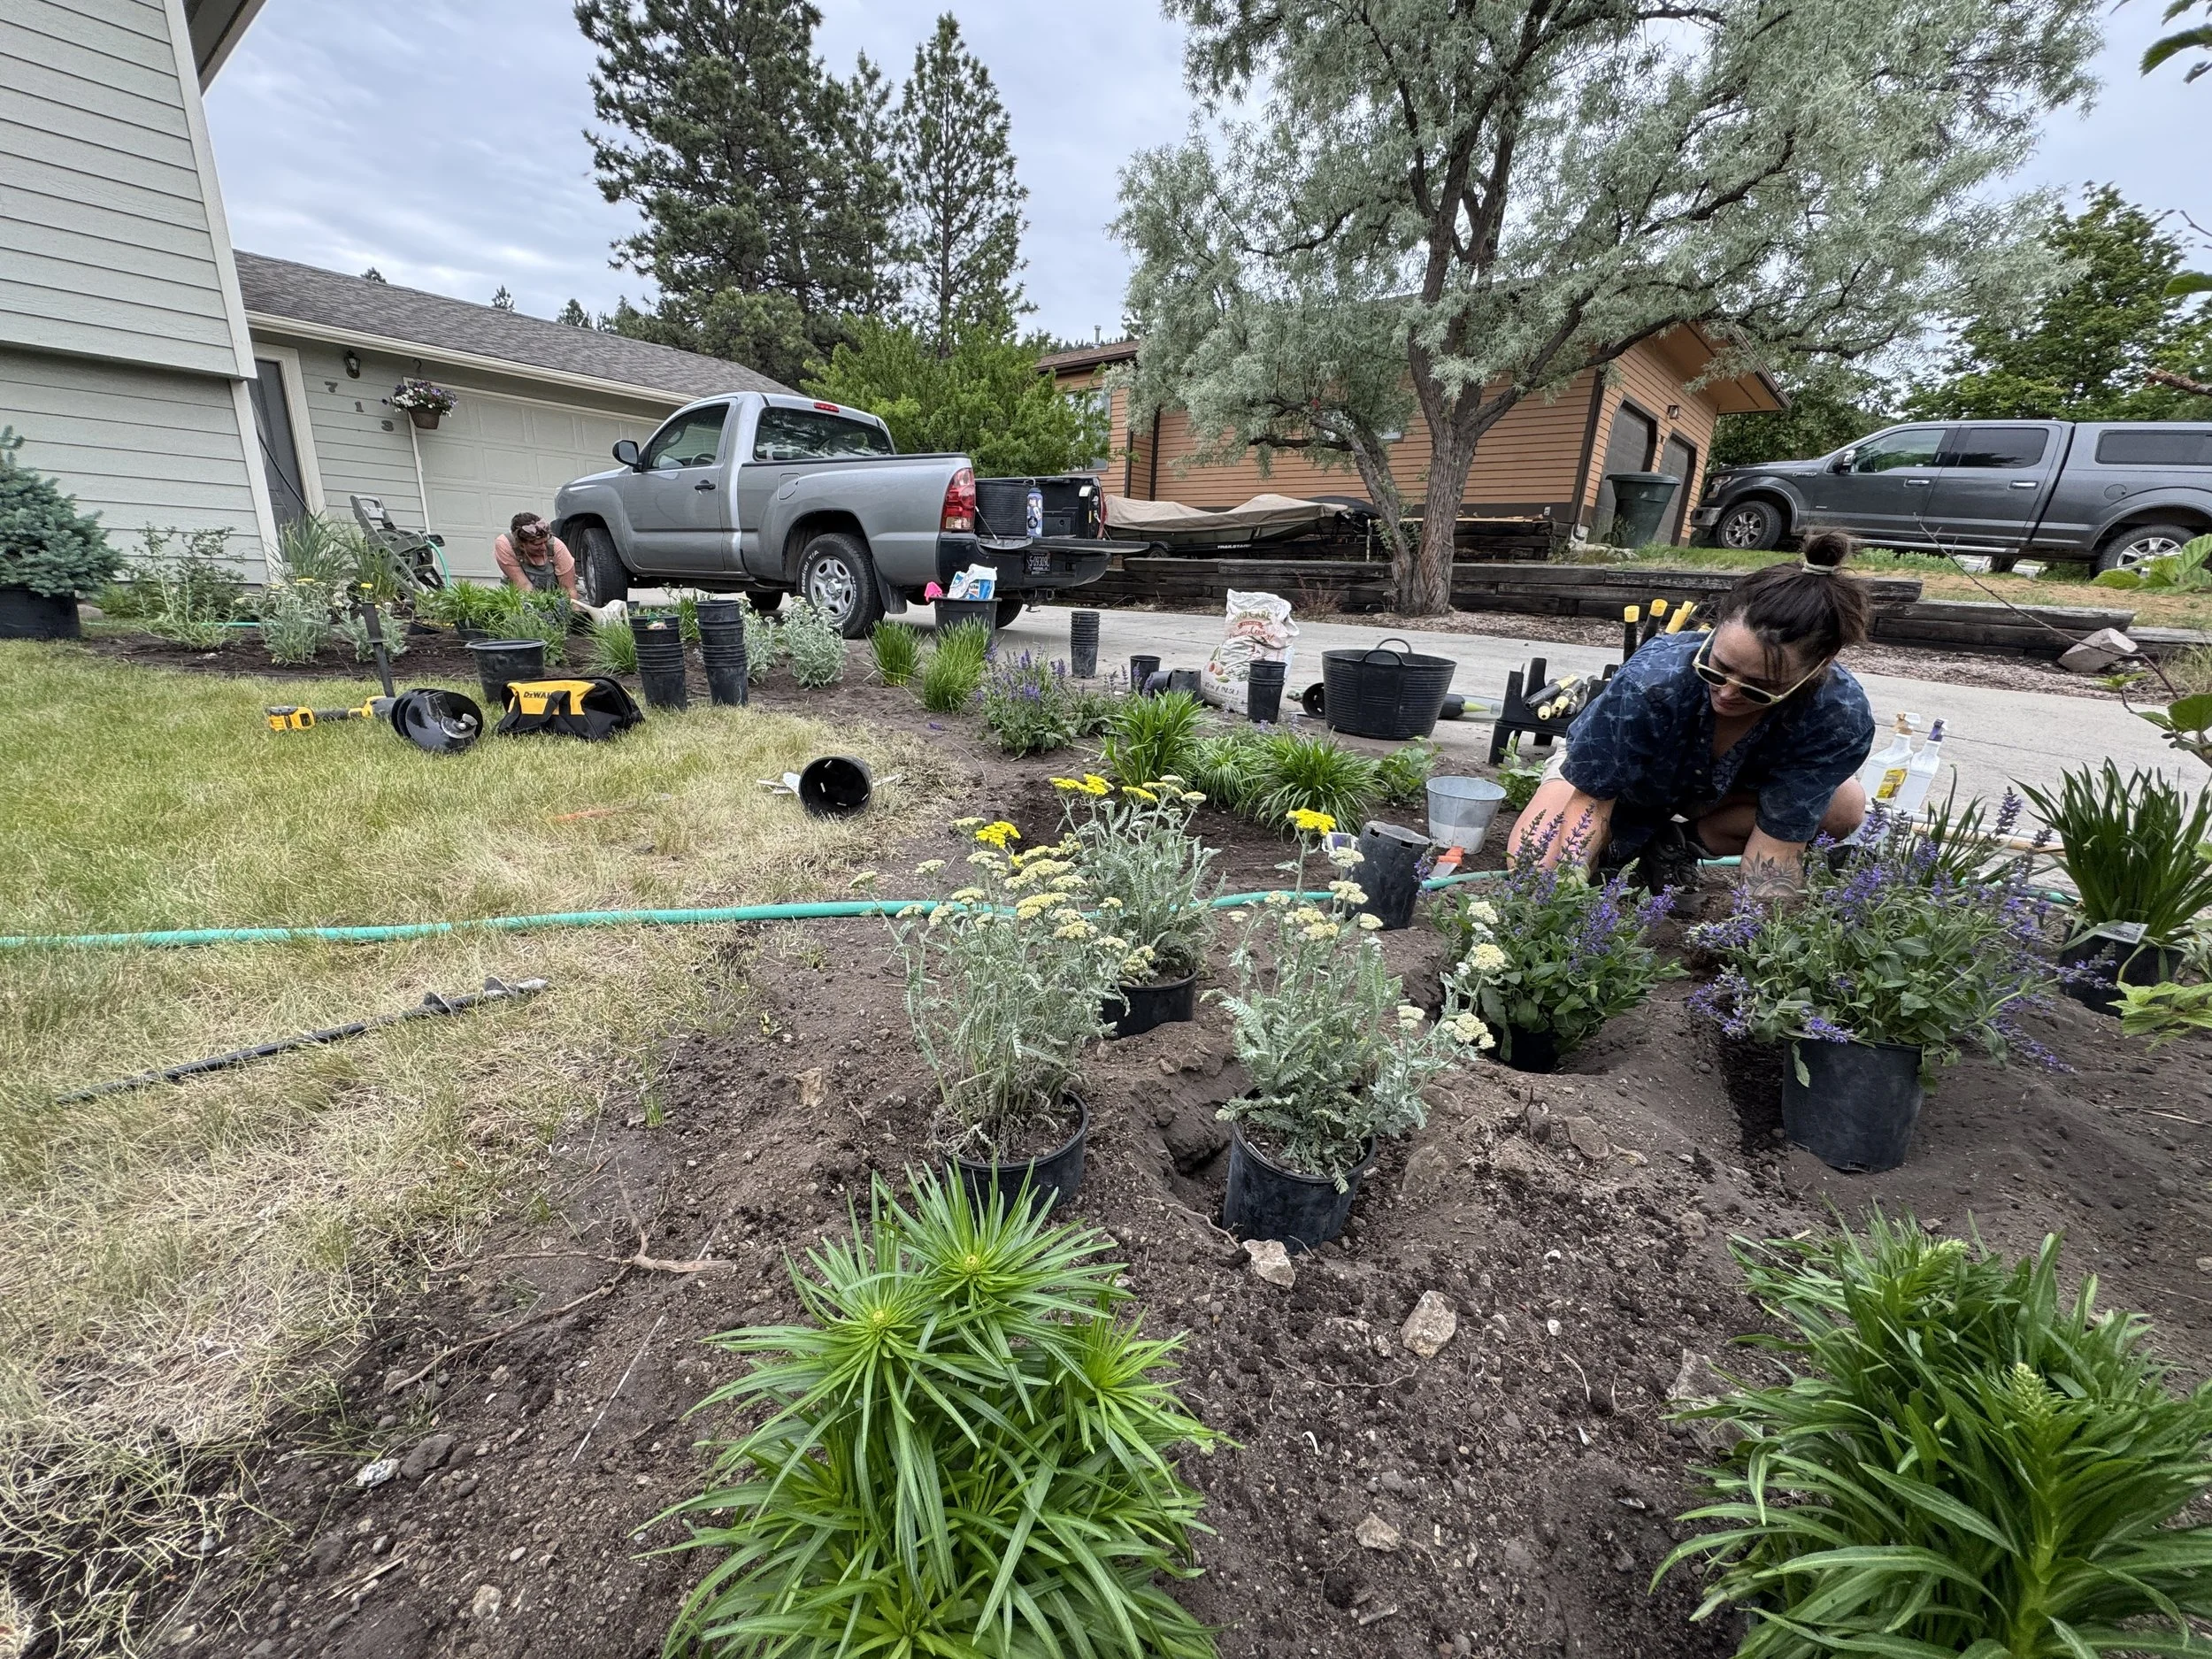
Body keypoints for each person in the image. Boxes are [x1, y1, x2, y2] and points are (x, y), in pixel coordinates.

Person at [1507, 529, 1876, 895]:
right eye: (1717, 668)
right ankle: (1623, 846)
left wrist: (1760, 933)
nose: (1728, 692)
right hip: (1622, 781)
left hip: (1727, 792)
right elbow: (1591, 800)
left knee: (1844, 807)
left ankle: (1678, 844)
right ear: (1716, 631)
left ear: (1819, 667)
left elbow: (1779, 847)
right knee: (1536, 866)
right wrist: (1566, 886)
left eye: (1758, 687)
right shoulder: (1652, 682)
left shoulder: (1838, 717)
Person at [493, 512, 578, 602]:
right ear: (521, 544)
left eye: (545, 542)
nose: (544, 548)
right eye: (537, 544)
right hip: (521, 594)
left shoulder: (557, 547)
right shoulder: (505, 545)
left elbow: (569, 589)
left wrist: (573, 611)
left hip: (555, 596)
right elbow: (524, 586)